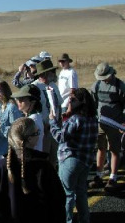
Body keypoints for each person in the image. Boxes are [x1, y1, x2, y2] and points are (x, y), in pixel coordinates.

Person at [0, 117, 66, 223]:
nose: (39, 135)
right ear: (30, 139)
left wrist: (6, 209)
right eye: (37, 132)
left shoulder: (1, 166)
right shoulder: (44, 167)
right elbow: (58, 201)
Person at [49, 88, 98, 223]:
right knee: (81, 192)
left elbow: (61, 137)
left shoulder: (75, 119)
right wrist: (68, 114)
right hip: (86, 161)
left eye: (72, 99)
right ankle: (84, 219)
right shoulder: (92, 118)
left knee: (67, 194)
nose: (69, 101)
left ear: (79, 102)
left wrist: (53, 122)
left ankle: (67, 220)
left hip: (70, 159)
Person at [89, 62, 125, 192]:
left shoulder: (120, 86)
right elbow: (92, 103)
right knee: (101, 148)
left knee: (114, 150)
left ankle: (113, 178)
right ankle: (99, 176)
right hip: (100, 124)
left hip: (115, 124)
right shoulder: (96, 85)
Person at [32, 59, 63, 168]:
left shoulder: (53, 85)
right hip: (43, 128)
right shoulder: (34, 87)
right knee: (43, 158)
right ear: (44, 73)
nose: (53, 74)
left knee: (54, 157)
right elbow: (33, 109)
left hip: (55, 126)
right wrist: (43, 125)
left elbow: (59, 103)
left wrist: (59, 120)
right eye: (51, 71)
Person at [0, 80, 23, 168]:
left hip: (6, 150)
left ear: (5, 89)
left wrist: (0, 128)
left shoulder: (12, 108)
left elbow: (16, 129)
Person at [12, 84, 45, 152]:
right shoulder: (35, 117)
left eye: (22, 99)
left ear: (32, 102)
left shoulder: (32, 120)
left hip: (32, 158)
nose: (18, 101)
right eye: (18, 99)